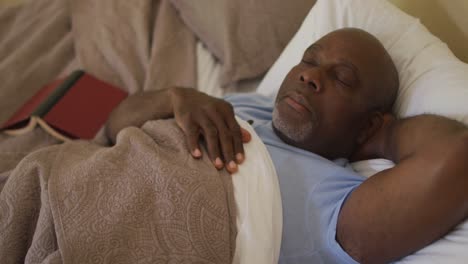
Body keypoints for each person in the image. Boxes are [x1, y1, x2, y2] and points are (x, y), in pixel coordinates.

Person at [105, 28, 468, 263]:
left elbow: (457, 156)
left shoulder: (330, 199)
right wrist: (174, 98)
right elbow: (114, 124)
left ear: (368, 124)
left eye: (341, 78)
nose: (309, 75)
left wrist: (384, 136)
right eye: (309, 61)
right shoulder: (243, 106)